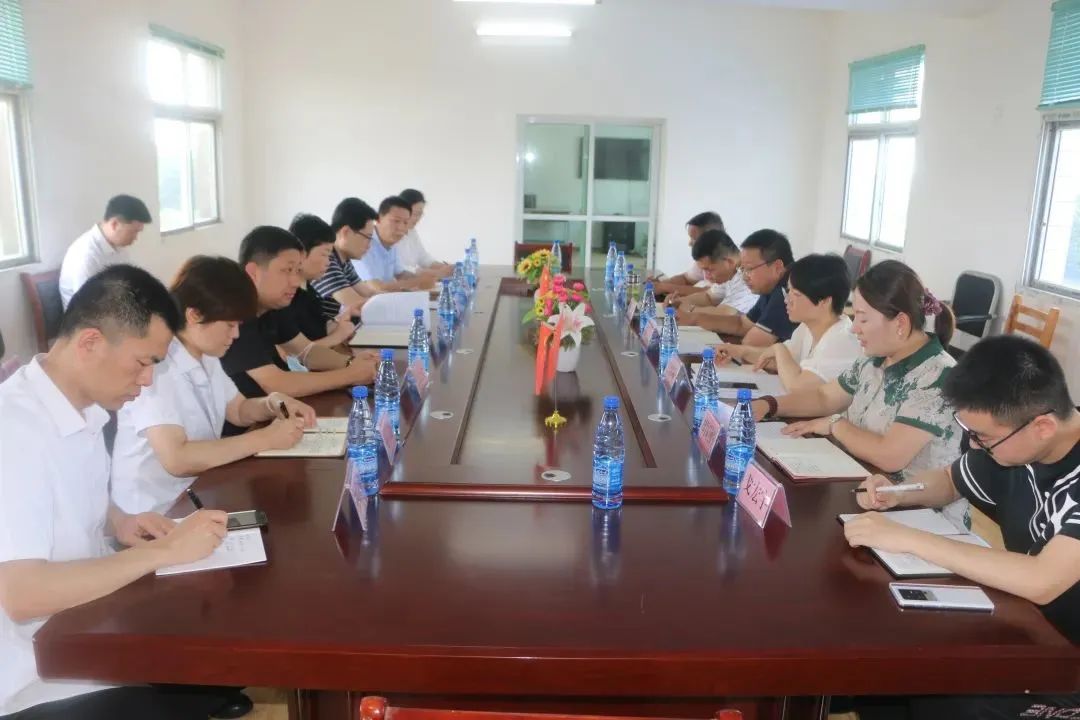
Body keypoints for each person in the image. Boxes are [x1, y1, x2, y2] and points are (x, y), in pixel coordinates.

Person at [0, 265, 249, 720]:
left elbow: (70, 491)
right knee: (194, 684)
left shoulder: (83, 407)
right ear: (91, 342)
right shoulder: (14, 432)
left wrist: (120, 521)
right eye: (143, 363)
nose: (148, 381)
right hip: (33, 675)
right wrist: (163, 552)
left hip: (83, 623)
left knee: (222, 656)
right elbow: (22, 594)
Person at [847, 335, 1080, 719]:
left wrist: (908, 538)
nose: (973, 446)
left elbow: (1043, 579)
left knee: (953, 696)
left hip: (1068, 660)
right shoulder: (1015, 442)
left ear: (1042, 426)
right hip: (1030, 627)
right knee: (890, 668)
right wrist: (897, 493)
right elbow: (950, 481)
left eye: (983, 437)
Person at [750, 260, 968, 527]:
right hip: (861, 491)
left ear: (900, 322)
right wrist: (769, 404)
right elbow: (824, 397)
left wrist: (835, 424)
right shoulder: (875, 359)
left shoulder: (938, 376)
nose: (854, 328)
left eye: (863, 319)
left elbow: (889, 455)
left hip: (918, 515)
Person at [111, 256, 316, 516]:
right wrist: (265, 438)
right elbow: (178, 459)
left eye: (238, 325)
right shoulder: (157, 365)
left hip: (199, 493)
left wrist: (272, 402)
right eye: (229, 325)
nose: (236, 335)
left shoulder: (205, 354)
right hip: (156, 512)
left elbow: (238, 410)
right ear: (194, 315)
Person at [220, 226, 378, 410]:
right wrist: (350, 375)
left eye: (297, 271)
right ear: (253, 272)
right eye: (287, 270)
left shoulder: (273, 304)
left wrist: (350, 363)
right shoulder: (232, 314)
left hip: (280, 411)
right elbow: (276, 383)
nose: (295, 281)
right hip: (249, 419)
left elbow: (306, 351)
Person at [713, 253, 861, 392]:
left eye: (796, 294)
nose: (787, 300)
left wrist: (778, 348)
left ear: (825, 301)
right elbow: (783, 362)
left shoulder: (841, 341)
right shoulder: (808, 326)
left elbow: (797, 387)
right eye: (788, 291)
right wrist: (737, 351)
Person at [682, 229, 798, 346]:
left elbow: (751, 343)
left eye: (749, 269)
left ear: (777, 267)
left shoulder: (788, 292)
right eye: (742, 269)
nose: (744, 277)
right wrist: (694, 318)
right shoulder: (771, 286)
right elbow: (742, 324)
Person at [59, 195, 152, 308]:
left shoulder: (118, 246)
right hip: (88, 315)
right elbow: (88, 306)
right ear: (115, 224)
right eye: (133, 232)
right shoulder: (86, 256)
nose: (136, 238)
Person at [288, 213, 360, 347]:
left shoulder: (309, 291)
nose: (328, 262)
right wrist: (339, 335)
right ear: (302, 253)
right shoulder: (286, 298)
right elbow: (296, 354)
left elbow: (320, 328)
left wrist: (341, 320)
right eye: (324, 254)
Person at [352, 196, 436, 292]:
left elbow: (401, 274)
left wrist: (424, 278)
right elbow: (377, 288)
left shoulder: (391, 243)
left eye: (405, 223)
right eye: (396, 221)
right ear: (378, 219)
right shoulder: (363, 242)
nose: (401, 228)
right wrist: (417, 281)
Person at [666, 229, 757, 316]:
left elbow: (725, 314)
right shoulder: (730, 272)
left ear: (729, 262)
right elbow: (709, 297)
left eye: (709, 270)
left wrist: (690, 309)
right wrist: (679, 301)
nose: (706, 277)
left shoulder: (747, 276)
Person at [649, 211, 724, 296]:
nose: (690, 243)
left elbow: (711, 293)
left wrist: (664, 287)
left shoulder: (724, 262)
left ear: (712, 238)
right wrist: (660, 283)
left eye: (694, 239)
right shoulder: (704, 259)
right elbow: (686, 279)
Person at [396, 188, 451, 278]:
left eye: (420, 214)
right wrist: (437, 273)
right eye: (415, 214)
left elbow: (423, 258)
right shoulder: (388, 235)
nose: (418, 218)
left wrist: (447, 268)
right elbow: (399, 269)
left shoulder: (412, 232)